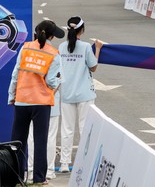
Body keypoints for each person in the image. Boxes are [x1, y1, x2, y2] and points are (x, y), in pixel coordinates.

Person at [8, 20, 64, 185]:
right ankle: (39, 178)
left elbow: (15, 74)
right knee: (40, 141)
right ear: (52, 36)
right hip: (41, 103)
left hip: (22, 100)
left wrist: (12, 95)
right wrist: (57, 85)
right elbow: (52, 82)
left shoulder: (25, 48)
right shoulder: (53, 54)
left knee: (17, 142)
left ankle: (15, 178)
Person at [58, 16, 101, 174]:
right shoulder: (85, 47)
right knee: (85, 129)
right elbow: (93, 67)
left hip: (66, 94)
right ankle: (85, 161)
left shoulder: (62, 47)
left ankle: (64, 163)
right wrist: (98, 49)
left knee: (67, 129)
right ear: (82, 30)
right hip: (84, 94)